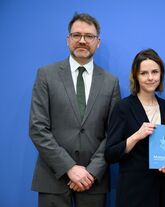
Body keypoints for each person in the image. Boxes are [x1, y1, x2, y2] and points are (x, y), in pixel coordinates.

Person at [29, 13, 120, 207]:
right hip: (52, 178)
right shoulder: (46, 75)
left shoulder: (111, 82)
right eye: (76, 35)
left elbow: (113, 133)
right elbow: (37, 128)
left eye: (89, 36)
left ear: (98, 42)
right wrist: (69, 167)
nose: (82, 41)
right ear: (68, 39)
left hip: (93, 181)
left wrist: (92, 171)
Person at [105, 48, 165, 207]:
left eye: (155, 72)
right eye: (144, 73)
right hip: (134, 193)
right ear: (136, 76)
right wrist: (137, 135)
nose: (150, 78)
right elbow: (110, 154)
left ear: (161, 74)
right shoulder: (122, 108)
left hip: (164, 191)